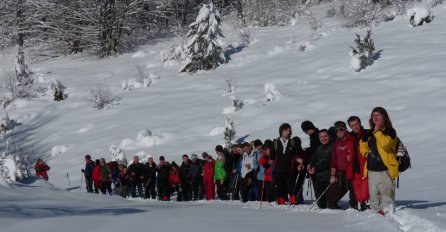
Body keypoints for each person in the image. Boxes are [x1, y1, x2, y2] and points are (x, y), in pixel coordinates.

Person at [360, 107, 399, 215]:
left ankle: (388, 214)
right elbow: (362, 145)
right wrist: (366, 153)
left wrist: (377, 131)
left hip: (385, 169)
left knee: (387, 195)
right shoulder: (369, 133)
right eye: (373, 115)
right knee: (374, 196)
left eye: (378, 115)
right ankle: (377, 215)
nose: (375, 117)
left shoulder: (390, 131)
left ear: (384, 117)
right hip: (372, 170)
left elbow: (385, 144)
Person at [327, 121, 355, 209]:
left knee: (355, 201)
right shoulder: (336, 142)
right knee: (330, 199)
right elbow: (334, 161)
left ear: (346, 129)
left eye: (341, 129)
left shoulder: (352, 139)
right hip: (341, 174)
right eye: (336, 130)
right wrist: (332, 175)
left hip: (353, 173)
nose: (339, 132)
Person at [348, 116, 370, 211]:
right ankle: (360, 203)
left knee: (365, 187)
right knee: (357, 187)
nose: (355, 127)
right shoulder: (349, 137)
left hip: (365, 165)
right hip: (354, 166)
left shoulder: (367, 134)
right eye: (352, 125)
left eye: (356, 124)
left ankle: (365, 203)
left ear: (360, 123)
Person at [273, 123, 298, 205]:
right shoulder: (275, 142)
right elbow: (271, 155)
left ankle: (293, 202)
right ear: (281, 131)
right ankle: (281, 204)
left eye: (289, 130)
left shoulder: (292, 142)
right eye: (286, 130)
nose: (288, 132)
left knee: (291, 188)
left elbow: (296, 154)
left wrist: (298, 159)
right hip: (278, 170)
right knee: (279, 188)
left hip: (289, 170)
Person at [307, 129, 333, 209]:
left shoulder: (333, 146)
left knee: (330, 203)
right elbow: (313, 159)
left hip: (328, 176)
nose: (323, 138)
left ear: (329, 136)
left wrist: (316, 168)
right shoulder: (318, 148)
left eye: (325, 136)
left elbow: (329, 161)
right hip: (317, 177)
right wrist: (310, 166)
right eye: (321, 137)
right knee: (321, 204)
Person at [291, 136, 307, 205]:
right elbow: (289, 160)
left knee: (299, 184)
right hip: (292, 171)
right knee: (293, 185)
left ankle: (299, 198)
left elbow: (305, 160)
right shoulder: (290, 151)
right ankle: (293, 200)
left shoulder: (302, 151)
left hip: (300, 171)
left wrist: (302, 165)